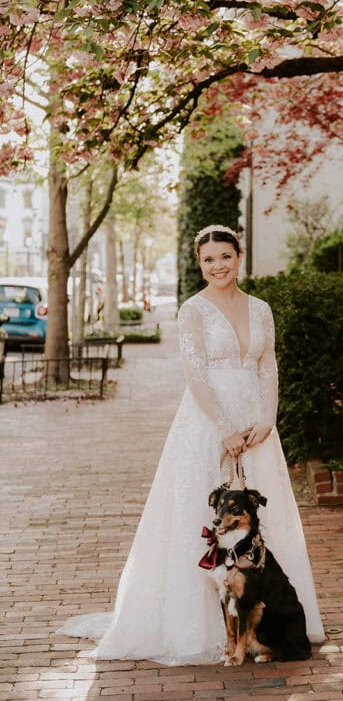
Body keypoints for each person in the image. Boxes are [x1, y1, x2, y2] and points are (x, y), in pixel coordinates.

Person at [58, 224, 324, 664]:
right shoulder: (193, 310)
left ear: (239, 257)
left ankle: (272, 619)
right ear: (199, 265)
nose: (218, 266)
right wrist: (223, 428)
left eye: (225, 256)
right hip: (206, 423)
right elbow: (196, 374)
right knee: (202, 518)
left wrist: (267, 418)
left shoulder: (261, 309)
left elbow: (268, 367)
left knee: (263, 518)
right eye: (208, 259)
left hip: (256, 428)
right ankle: (198, 626)